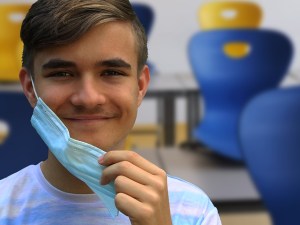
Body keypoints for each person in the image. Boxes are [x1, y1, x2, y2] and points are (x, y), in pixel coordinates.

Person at [0, 0, 222, 224]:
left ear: (140, 86)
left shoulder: (194, 211)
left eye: (111, 72)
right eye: (62, 74)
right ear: (30, 88)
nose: (88, 98)